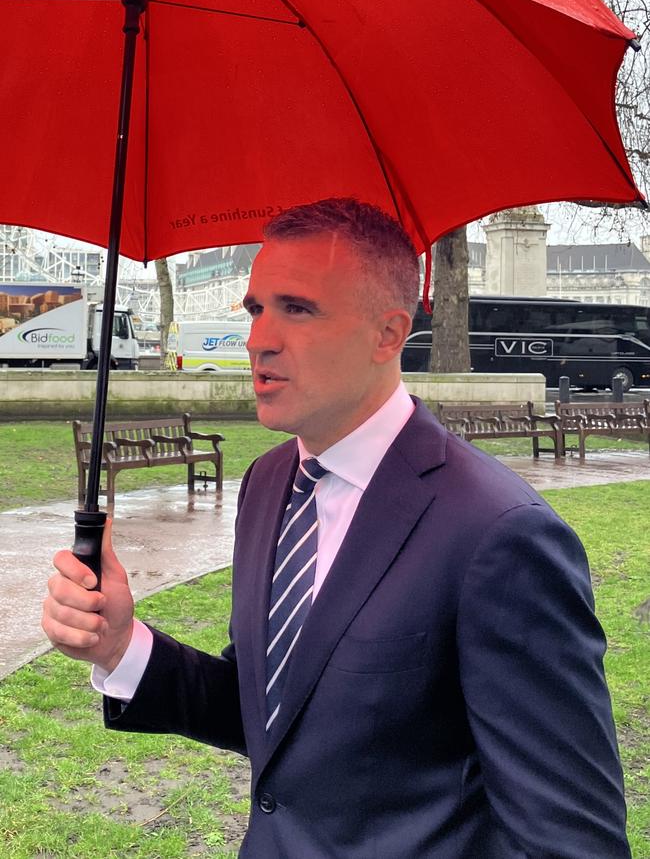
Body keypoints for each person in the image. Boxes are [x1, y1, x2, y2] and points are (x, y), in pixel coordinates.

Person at [43, 198, 631, 858]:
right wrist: (122, 646)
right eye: (256, 308)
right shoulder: (268, 485)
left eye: (297, 309)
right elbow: (272, 710)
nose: (259, 338)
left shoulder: (499, 536)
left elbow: (572, 841)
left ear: (388, 333)